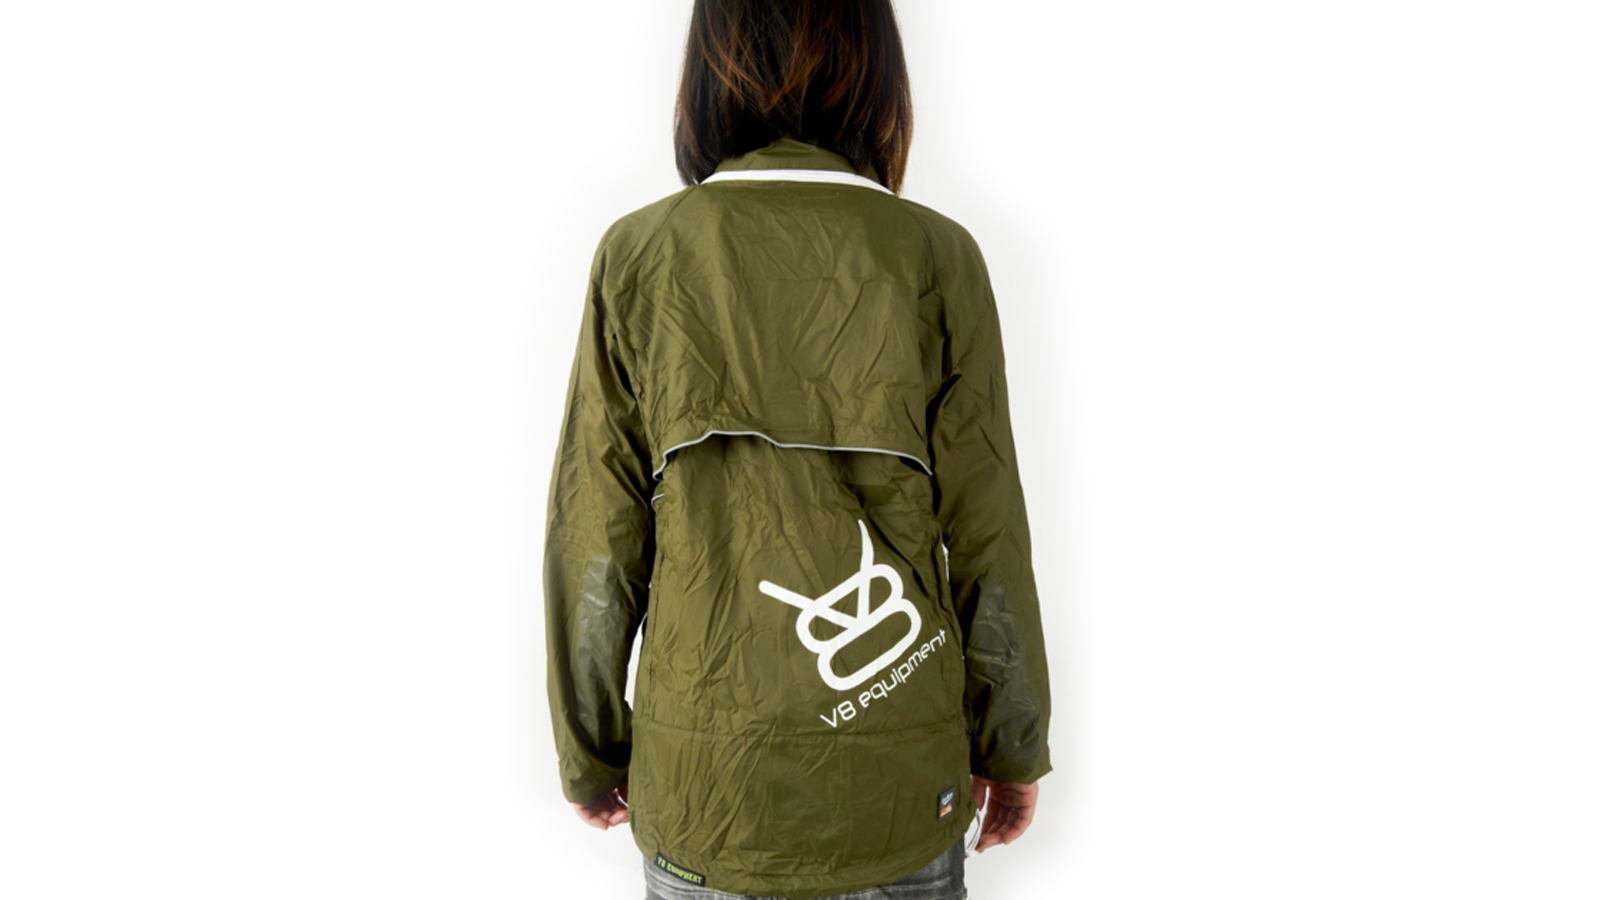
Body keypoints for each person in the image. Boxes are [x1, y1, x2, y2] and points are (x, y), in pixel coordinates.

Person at [542, 1, 1052, 897]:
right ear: (876, 68)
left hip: (705, 789)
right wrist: (1011, 744)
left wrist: (590, 752)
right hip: (897, 781)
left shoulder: (639, 257)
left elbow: (596, 539)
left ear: (709, 68)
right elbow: (988, 536)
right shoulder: (936, 257)